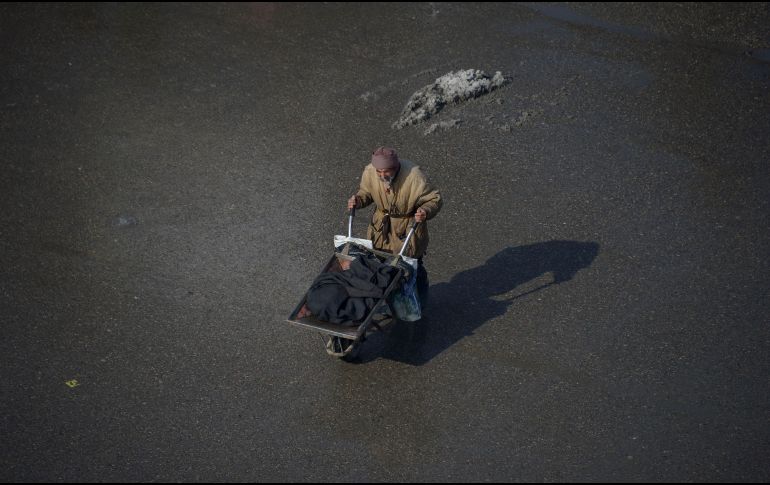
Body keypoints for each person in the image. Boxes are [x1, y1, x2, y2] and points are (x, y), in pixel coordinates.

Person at [347, 147, 442, 305]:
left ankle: (421, 302)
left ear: (396, 166)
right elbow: (366, 193)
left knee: (413, 267)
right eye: (379, 172)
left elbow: (435, 199)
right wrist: (358, 200)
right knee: (381, 264)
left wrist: (425, 211)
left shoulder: (414, 176)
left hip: (407, 229)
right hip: (381, 229)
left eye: (386, 172)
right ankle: (392, 299)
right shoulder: (370, 171)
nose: (382, 176)